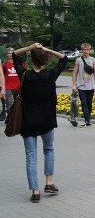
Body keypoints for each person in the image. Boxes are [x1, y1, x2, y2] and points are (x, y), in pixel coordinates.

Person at [12, 43, 68, 203]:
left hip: (28, 121)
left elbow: (15, 55)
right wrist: (47, 49)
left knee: (30, 156)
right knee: (49, 149)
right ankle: (49, 183)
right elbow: (64, 59)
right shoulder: (50, 75)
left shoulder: (24, 75)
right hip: (47, 121)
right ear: (45, 60)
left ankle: (35, 191)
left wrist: (31, 47)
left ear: (31, 60)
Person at [71, 43, 95, 126]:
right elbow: (74, 73)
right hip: (81, 86)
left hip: (90, 86)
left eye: (87, 50)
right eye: (84, 50)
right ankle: (87, 120)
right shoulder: (78, 60)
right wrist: (74, 85)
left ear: (90, 50)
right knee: (84, 103)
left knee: (89, 104)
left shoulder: (92, 59)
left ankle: (88, 118)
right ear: (82, 50)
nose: (86, 51)